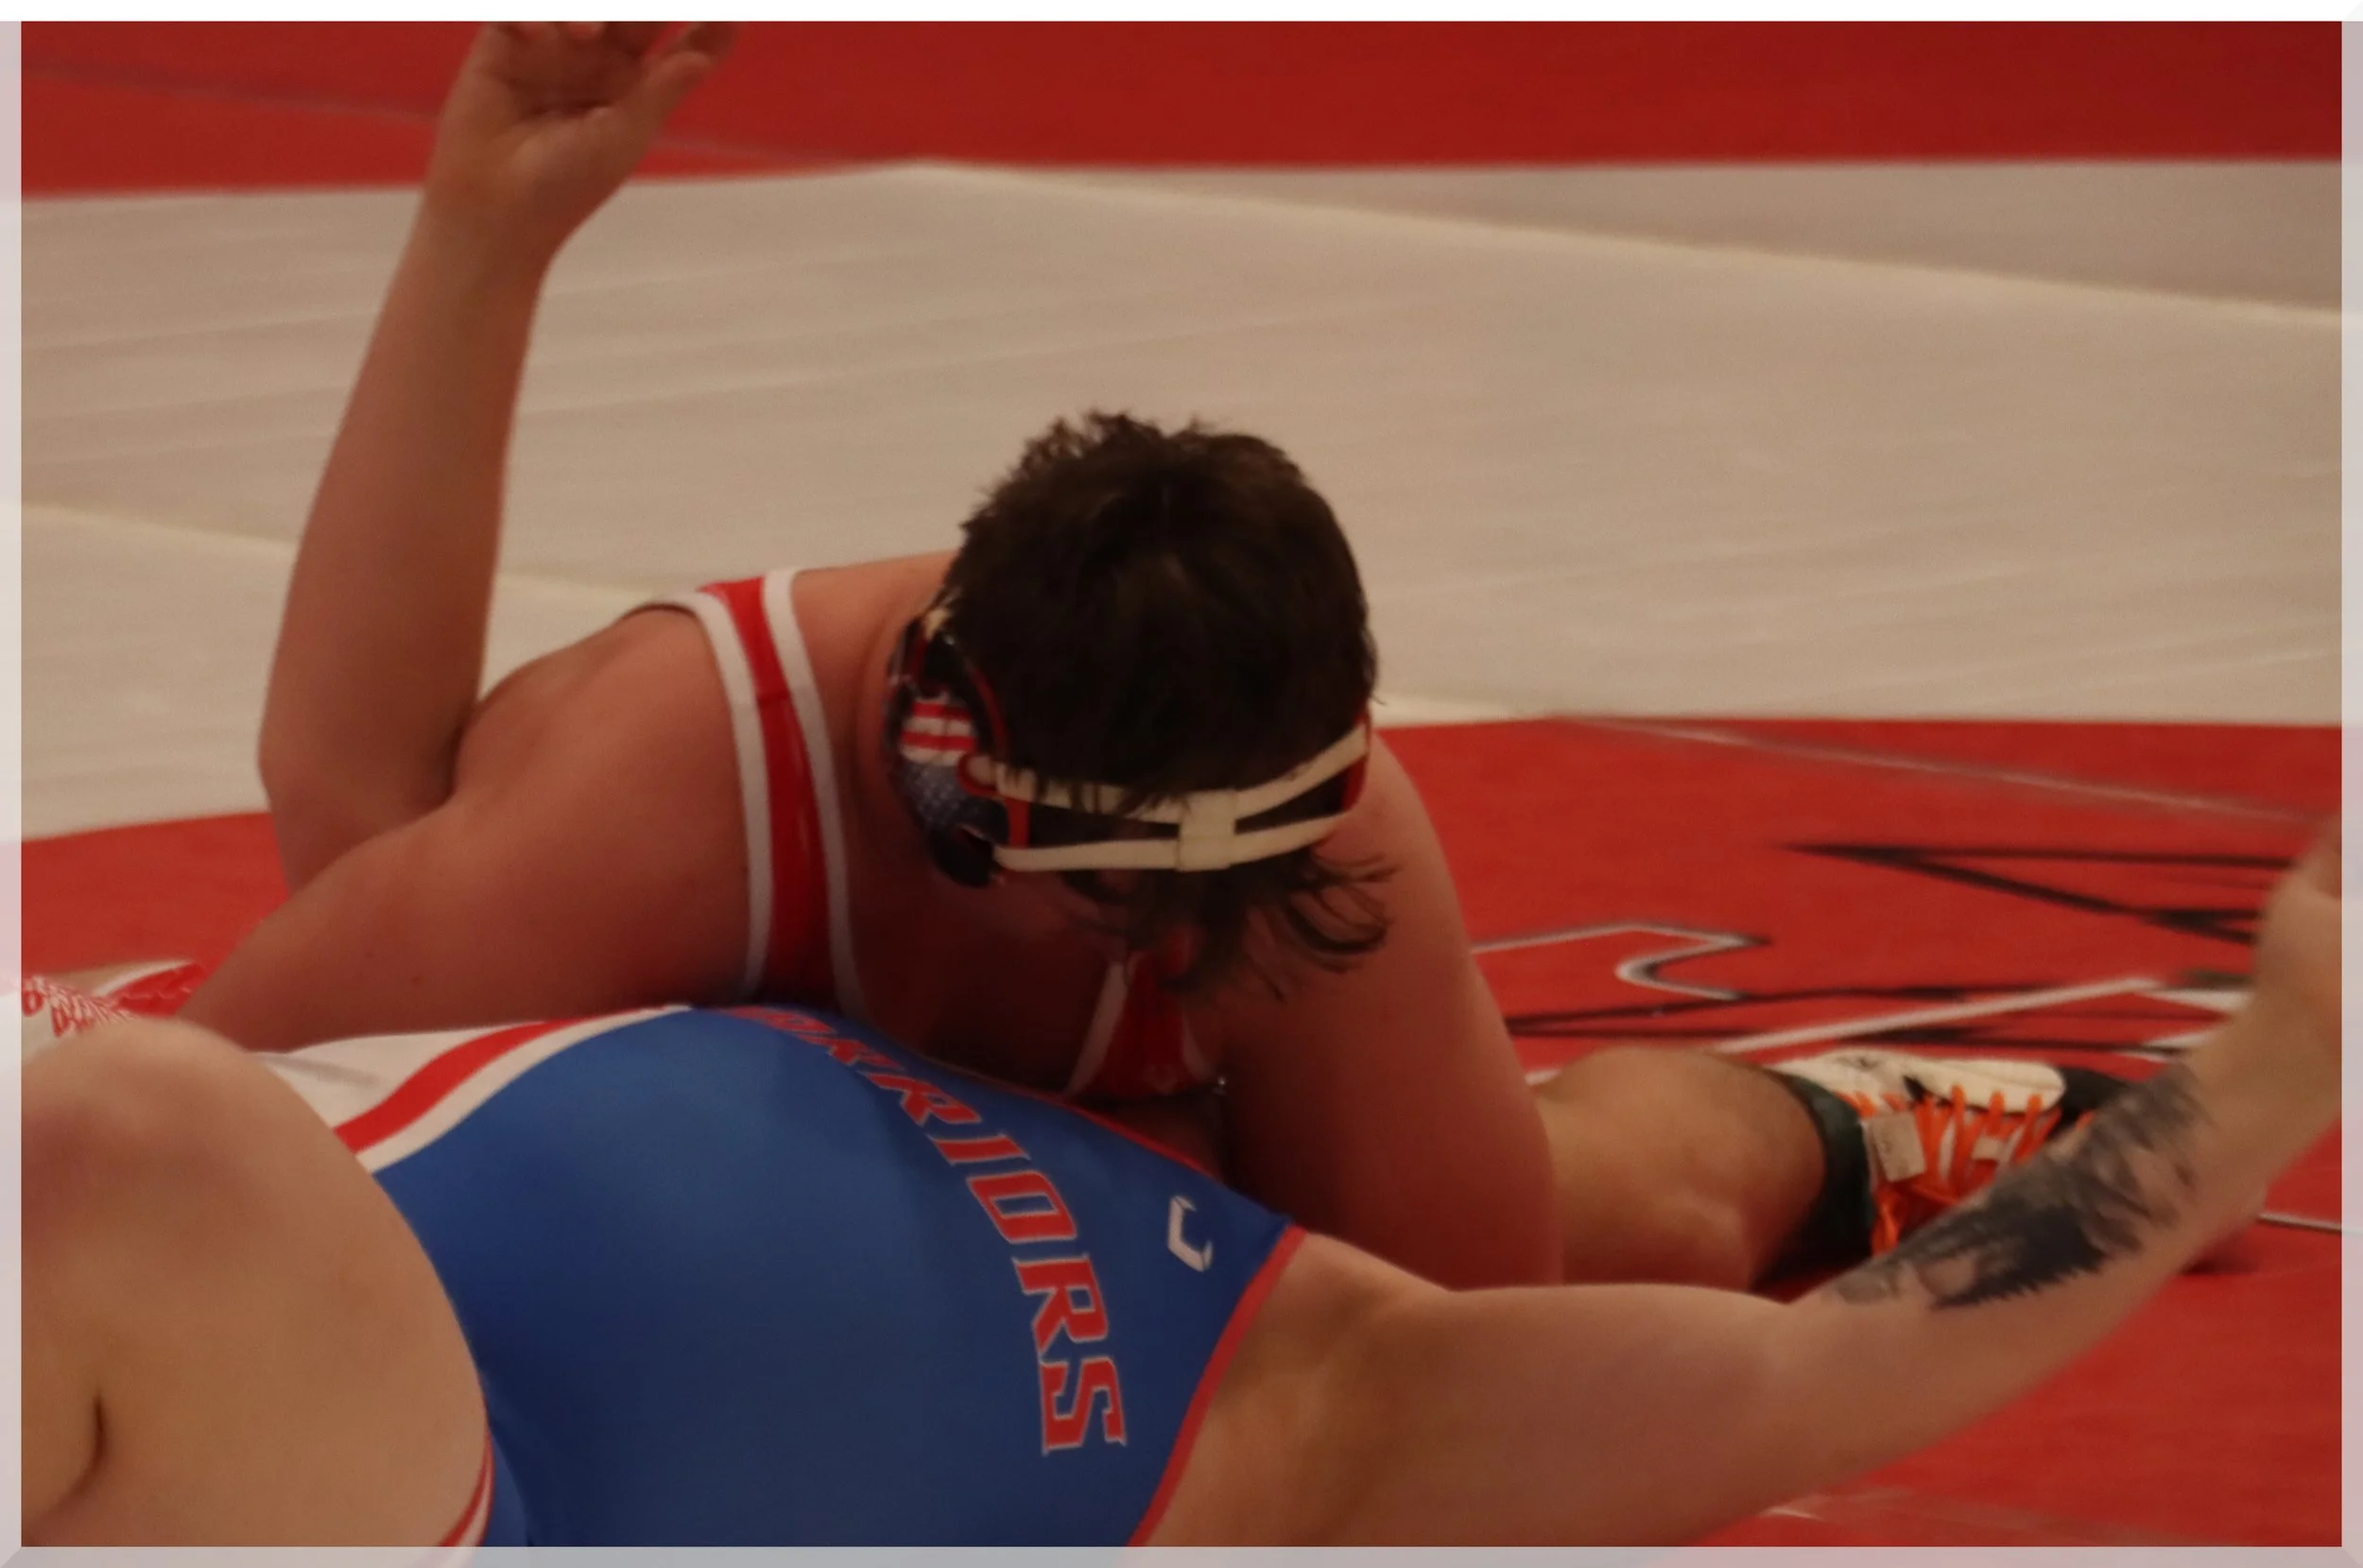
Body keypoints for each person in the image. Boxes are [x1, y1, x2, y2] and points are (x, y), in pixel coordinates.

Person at [173, 22, 2092, 1293]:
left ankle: (1835, 1130)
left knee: (1590, 1252)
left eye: (1219, 909)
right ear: (953, 782)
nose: (1176, 952)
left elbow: (1466, 1361)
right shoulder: (674, 786)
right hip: (682, 1150)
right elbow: (227, 1075)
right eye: (1119, 908)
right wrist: (484, 234)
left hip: (1065, 1192)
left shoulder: (1299, 846)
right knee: (406, 1053)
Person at [21, 833, 2343, 1545]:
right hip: (195, 1348)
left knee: (129, 1138)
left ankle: (1901, 1122)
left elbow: (1833, 1380)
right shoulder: (909, 1002)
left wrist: (2259, 1077)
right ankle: (1889, 1116)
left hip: (419, 1488)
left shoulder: (1363, 1402)